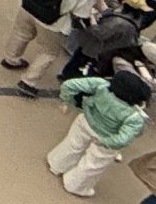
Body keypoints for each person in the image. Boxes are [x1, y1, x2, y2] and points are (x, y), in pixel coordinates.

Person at [46, 66, 150, 196]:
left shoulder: (102, 85)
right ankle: (75, 185)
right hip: (106, 137)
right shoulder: (135, 116)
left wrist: (68, 100)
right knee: (93, 164)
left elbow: (69, 84)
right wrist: (105, 141)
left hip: (86, 121)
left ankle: (56, 165)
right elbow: (124, 138)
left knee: (72, 145)